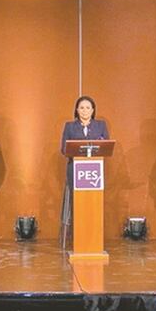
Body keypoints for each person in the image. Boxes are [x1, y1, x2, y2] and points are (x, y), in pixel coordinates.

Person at [60, 96, 110, 247]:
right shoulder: (70, 126)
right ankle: (78, 240)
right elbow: (64, 148)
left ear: (93, 110)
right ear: (76, 110)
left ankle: (94, 241)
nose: (85, 110)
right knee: (77, 206)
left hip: (95, 171)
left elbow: (106, 145)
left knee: (93, 207)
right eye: (81, 107)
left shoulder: (100, 126)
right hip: (74, 170)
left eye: (88, 108)